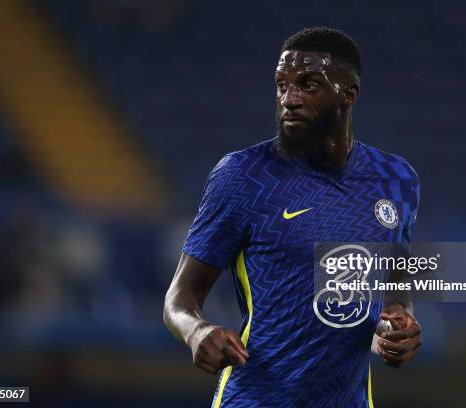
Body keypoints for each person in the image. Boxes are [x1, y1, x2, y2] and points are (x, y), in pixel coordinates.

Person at [164, 27, 422, 408]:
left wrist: (400, 325)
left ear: (348, 94)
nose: (289, 99)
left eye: (308, 85)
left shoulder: (397, 180)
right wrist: (196, 331)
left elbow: (396, 288)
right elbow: (179, 298)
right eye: (281, 85)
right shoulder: (245, 175)